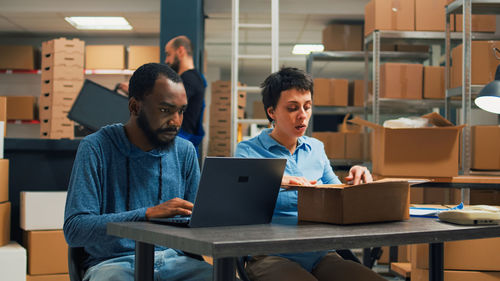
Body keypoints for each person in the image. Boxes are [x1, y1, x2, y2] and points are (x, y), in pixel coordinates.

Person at [64, 63, 212, 281]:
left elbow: (196, 226)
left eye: (181, 111)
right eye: (165, 110)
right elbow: (75, 230)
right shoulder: (96, 147)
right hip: (113, 264)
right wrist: (147, 214)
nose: (176, 121)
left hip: (176, 262)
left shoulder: (185, 152)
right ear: (134, 107)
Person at [235, 67, 384, 281]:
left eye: (307, 107)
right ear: (271, 112)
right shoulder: (247, 150)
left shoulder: (316, 148)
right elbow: (236, 198)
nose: (302, 116)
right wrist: (274, 180)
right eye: (292, 108)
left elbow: (339, 196)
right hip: (269, 255)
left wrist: (357, 179)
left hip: (320, 253)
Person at [118, 36, 205, 154]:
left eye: (168, 54)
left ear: (180, 51)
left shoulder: (188, 79)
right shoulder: (194, 79)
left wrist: (136, 89)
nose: (167, 60)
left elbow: (164, 99)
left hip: (179, 140)